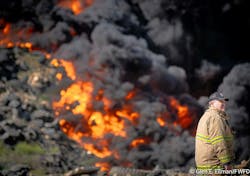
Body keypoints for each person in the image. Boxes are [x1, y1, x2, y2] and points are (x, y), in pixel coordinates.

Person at [195, 92, 234, 174]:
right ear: (211, 103)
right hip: (214, 166)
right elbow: (219, 142)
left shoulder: (209, 115)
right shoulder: (215, 118)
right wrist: (226, 163)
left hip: (206, 165)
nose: (223, 103)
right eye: (220, 101)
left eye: (224, 101)